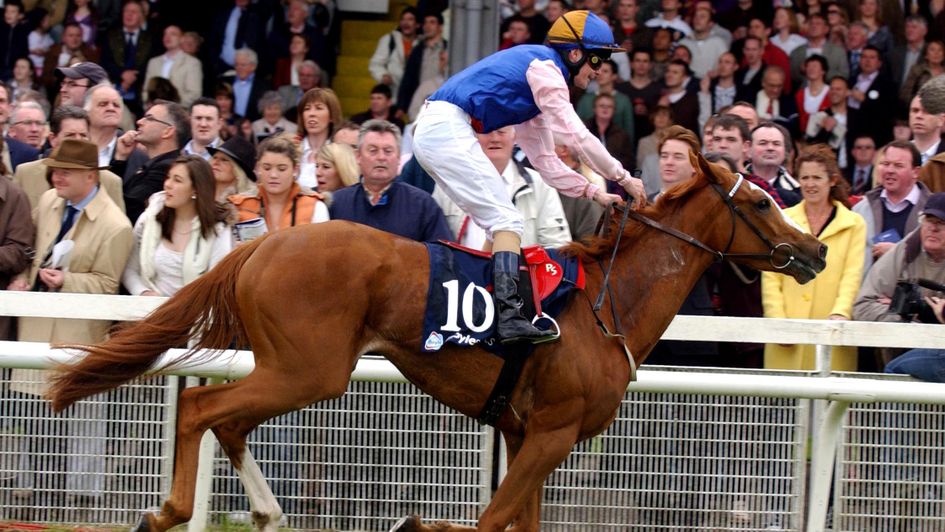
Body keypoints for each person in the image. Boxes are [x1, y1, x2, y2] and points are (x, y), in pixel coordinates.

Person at [411, 10, 646, 344]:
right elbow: (576, 135)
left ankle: (486, 308)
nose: (599, 69)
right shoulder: (546, 71)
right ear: (574, 54)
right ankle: (507, 317)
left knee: (499, 224)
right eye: (597, 58)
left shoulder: (533, 92)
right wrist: (622, 177)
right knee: (507, 220)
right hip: (445, 127)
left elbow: (547, 164)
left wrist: (596, 193)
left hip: (438, 128)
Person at [8, 138, 133, 508]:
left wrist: (67, 280)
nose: (57, 177)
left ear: (91, 176)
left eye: (66, 172)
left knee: (65, 425)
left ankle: (61, 502)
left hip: (73, 338)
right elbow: (34, 251)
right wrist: (24, 277)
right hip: (35, 330)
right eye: (55, 170)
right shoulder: (49, 201)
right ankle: (40, 499)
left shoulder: (116, 225)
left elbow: (108, 286)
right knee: (33, 420)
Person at [761, 144, 865, 371]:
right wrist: (777, 320)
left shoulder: (854, 224)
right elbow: (771, 276)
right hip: (786, 339)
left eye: (817, 177)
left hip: (833, 335)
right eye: (805, 178)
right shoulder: (783, 219)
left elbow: (852, 275)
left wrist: (840, 313)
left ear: (832, 180)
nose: (810, 184)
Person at [433, 125, 571, 249]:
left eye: (501, 131)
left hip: (521, 270)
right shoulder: (448, 184)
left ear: (514, 136)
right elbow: (436, 247)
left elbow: (557, 248)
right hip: (461, 270)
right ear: (472, 136)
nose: (495, 138)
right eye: (486, 131)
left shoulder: (540, 185)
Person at [854, 192, 945, 368]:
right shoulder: (906, 250)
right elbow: (863, 306)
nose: (933, 228)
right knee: (894, 369)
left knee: (894, 370)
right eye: (928, 220)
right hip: (903, 350)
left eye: (941, 223)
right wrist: (905, 314)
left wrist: (915, 310)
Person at [123, 156, 232, 297]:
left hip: (196, 308)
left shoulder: (218, 229)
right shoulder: (149, 218)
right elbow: (129, 270)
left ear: (196, 190)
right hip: (150, 307)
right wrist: (144, 293)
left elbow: (219, 284)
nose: (167, 184)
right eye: (168, 177)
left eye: (177, 180)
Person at [331, 119, 450, 244]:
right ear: (358, 156)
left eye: (388, 151)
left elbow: (442, 251)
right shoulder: (337, 203)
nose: (381, 157)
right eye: (373, 150)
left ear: (398, 158)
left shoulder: (423, 205)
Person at [12, 105, 124, 212]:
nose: (78, 141)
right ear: (52, 139)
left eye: (83, 135)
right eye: (70, 135)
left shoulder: (110, 182)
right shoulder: (25, 174)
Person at [852, 140, 930, 272]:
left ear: (915, 172)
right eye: (885, 164)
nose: (889, 170)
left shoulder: (933, 211)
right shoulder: (860, 209)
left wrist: (898, 253)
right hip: (868, 284)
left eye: (898, 166)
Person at [229, 133, 329, 236]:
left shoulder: (315, 206)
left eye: (282, 169)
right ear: (258, 168)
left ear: (295, 170)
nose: (273, 175)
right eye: (267, 168)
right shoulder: (239, 206)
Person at [113, 100, 189, 224]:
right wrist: (120, 157)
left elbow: (125, 207)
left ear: (168, 131)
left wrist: (119, 161)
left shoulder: (167, 168)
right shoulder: (154, 165)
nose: (139, 122)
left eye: (149, 118)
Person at [99, 0, 156, 116]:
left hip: (139, 92)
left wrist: (133, 77)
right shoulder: (110, 35)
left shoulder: (150, 38)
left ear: (142, 16)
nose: (129, 15)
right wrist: (122, 74)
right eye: (126, 11)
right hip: (113, 87)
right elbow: (104, 62)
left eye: (133, 12)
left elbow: (151, 63)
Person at [142, 24, 203, 108]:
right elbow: (146, 91)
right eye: (165, 34)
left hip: (179, 112)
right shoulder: (154, 62)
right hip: (154, 111)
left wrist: (169, 106)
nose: (167, 37)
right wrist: (150, 105)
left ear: (182, 39)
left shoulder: (192, 63)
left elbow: (194, 94)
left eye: (173, 34)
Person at [368, 6, 419, 103]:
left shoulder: (422, 44)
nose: (406, 23)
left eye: (410, 19)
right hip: (392, 95)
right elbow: (375, 63)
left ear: (417, 24)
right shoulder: (389, 40)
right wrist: (383, 75)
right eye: (403, 19)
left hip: (414, 96)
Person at [297, 87, 343, 190]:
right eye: (307, 108)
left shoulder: (339, 152)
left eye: (319, 108)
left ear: (331, 116)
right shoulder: (292, 149)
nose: (311, 114)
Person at [747, 121, 801, 206]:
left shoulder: (798, 192)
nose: (770, 148)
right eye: (763, 143)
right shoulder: (734, 183)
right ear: (748, 149)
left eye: (776, 144)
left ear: (785, 151)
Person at [221, 48, 267, 122]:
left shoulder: (263, 86)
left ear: (253, 66)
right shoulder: (224, 81)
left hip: (252, 125)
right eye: (236, 64)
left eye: (243, 65)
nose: (239, 68)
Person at [208, 135, 256, 201]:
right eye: (214, 157)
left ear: (238, 172)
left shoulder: (246, 203)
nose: (216, 162)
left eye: (224, 160)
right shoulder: (198, 193)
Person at [900, 40, 945, 111]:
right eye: (932, 50)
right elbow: (905, 95)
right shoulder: (917, 70)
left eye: (940, 50)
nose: (936, 53)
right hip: (921, 110)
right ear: (926, 55)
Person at [909, 94, 945, 165]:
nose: (918, 116)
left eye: (927, 111)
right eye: (915, 110)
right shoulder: (895, 152)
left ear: (941, 119)